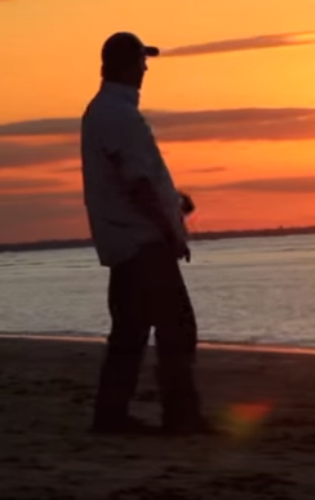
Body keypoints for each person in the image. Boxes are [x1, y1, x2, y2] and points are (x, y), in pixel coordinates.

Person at [80, 31, 213, 435]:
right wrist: (168, 229)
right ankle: (180, 415)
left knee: (131, 331)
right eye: (141, 60)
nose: (146, 68)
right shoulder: (119, 115)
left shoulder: (103, 112)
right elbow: (136, 182)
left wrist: (173, 202)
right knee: (177, 326)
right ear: (123, 65)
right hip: (141, 242)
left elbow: (135, 179)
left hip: (125, 240)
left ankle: (111, 415)